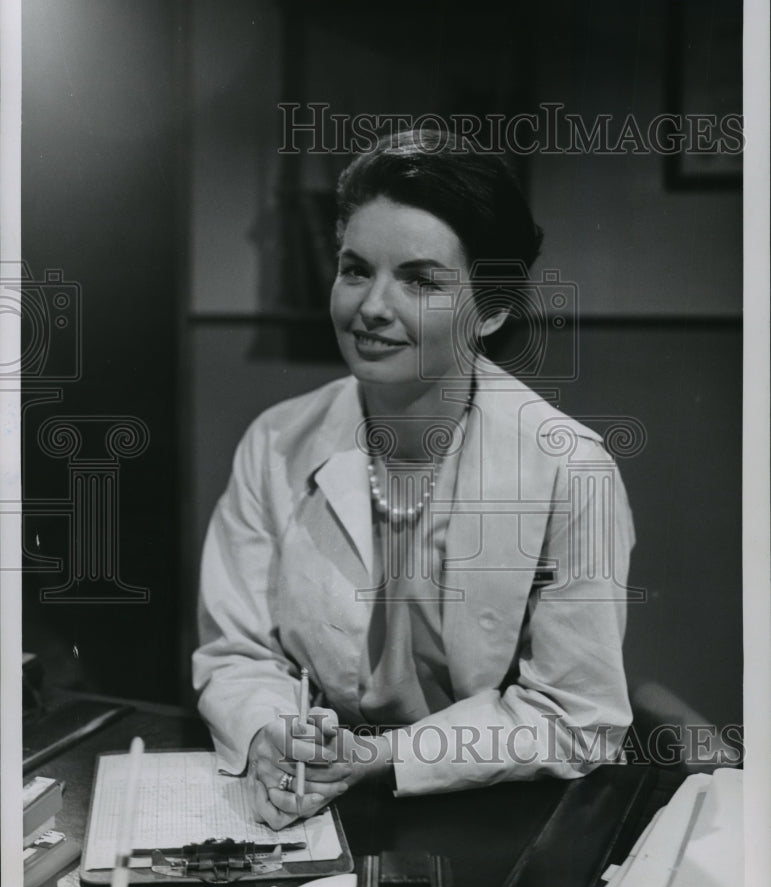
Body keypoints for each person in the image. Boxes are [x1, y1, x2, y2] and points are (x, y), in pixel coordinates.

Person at [192, 128, 635, 831]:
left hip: (489, 806)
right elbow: (237, 650)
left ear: (490, 310)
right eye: (355, 269)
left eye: (420, 280)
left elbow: (574, 716)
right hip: (304, 799)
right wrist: (270, 734)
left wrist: (378, 758)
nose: (371, 307)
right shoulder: (276, 440)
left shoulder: (569, 469)